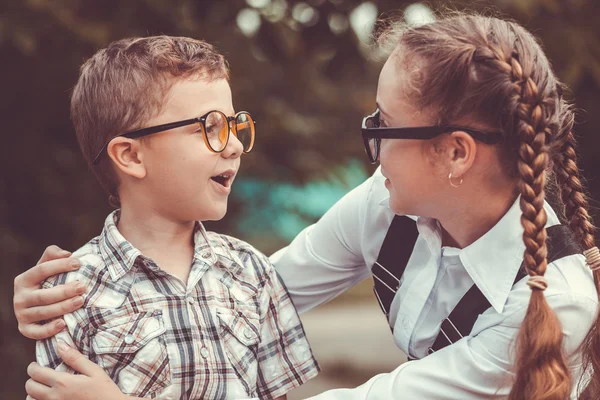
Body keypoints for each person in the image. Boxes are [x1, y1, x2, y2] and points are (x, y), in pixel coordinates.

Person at [14, 13, 600, 400]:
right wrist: (69, 293)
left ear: (454, 153)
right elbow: (245, 295)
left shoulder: (552, 300)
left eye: (385, 125)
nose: (368, 141)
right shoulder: (386, 203)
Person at [18, 35, 319, 400]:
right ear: (130, 156)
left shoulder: (252, 272)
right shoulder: (70, 293)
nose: (235, 145)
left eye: (232, 125)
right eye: (208, 127)